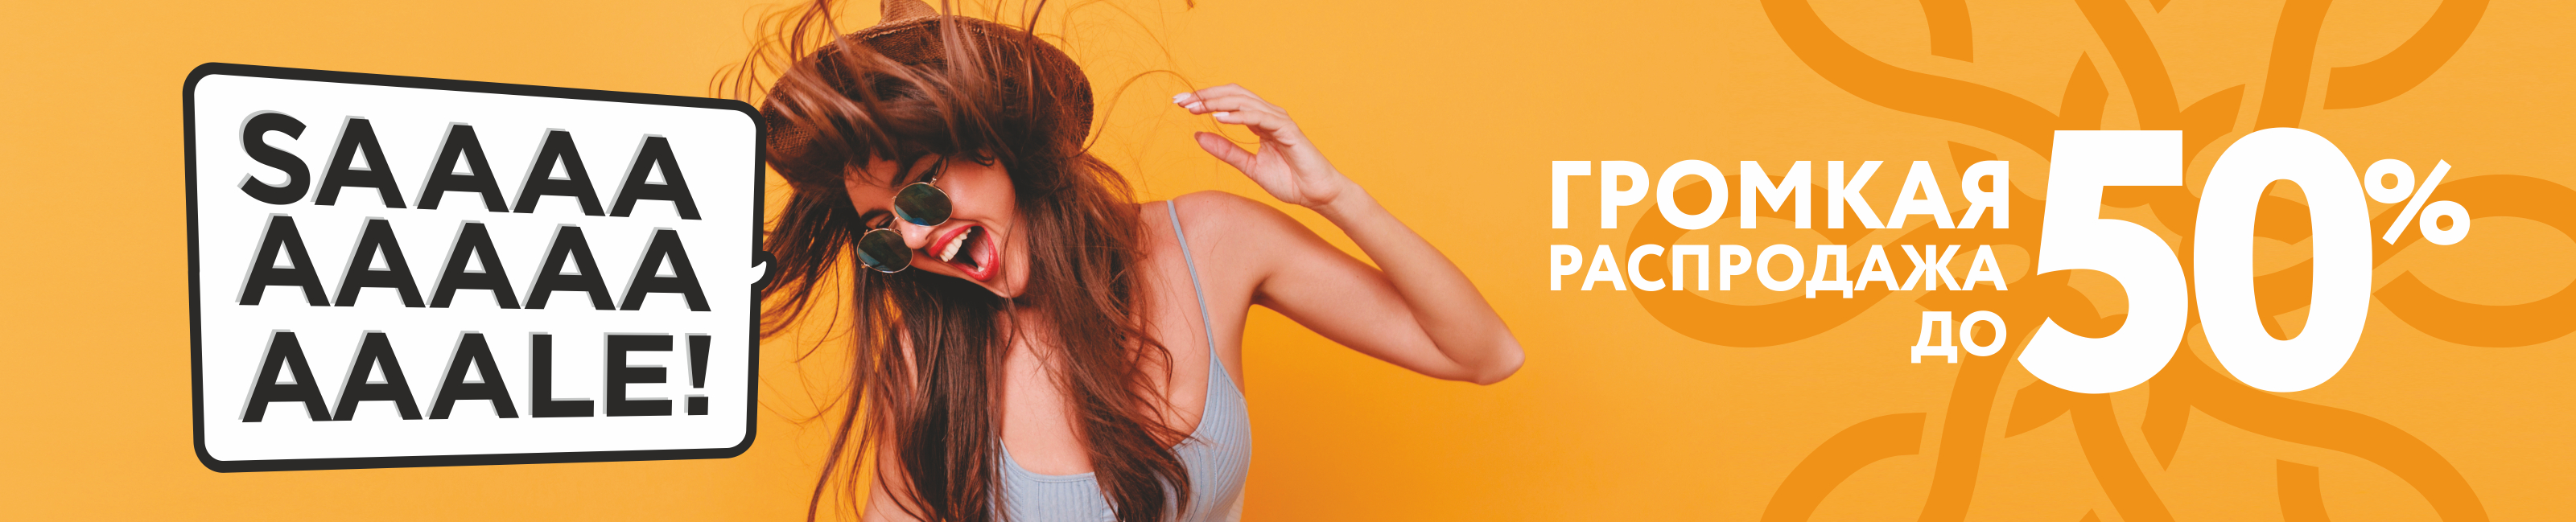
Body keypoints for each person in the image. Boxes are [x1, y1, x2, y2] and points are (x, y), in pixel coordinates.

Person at [739, 2, 1523, 520]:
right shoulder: (929, 354)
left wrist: (1337, 197)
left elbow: (1484, 352)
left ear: (997, 145)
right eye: (882, 228)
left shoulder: (1211, 241)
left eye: (920, 191)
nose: (911, 241)